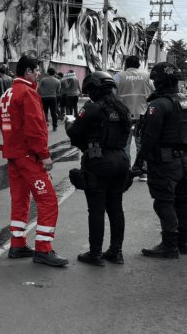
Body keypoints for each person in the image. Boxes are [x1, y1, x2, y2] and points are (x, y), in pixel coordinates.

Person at [0, 54, 68, 267]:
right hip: (28, 156)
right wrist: (44, 155)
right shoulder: (27, 93)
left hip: (13, 155)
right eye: (37, 70)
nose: (39, 73)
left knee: (20, 200)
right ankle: (44, 249)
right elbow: (35, 127)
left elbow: (6, 126)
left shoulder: (7, 93)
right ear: (28, 71)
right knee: (47, 200)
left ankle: (17, 244)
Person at [65, 71, 131, 265]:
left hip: (99, 161)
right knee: (116, 208)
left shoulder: (92, 108)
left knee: (96, 209)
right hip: (121, 159)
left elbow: (75, 133)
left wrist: (70, 125)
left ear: (94, 89)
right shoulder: (122, 107)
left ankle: (95, 254)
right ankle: (116, 252)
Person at [133, 62, 187, 258]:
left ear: (160, 82)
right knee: (182, 201)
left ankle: (169, 245)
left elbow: (149, 138)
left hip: (165, 162)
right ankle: (183, 242)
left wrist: (139, 163)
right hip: (184, 160)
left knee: (163, 202)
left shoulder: (158, 104)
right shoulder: (184, 101)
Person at [113, 55, 154, 181]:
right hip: (143, 115)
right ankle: (143, 172)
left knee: (124, 144)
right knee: (142, 144)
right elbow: (154, 92)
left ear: (126, 64)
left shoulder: (119, 76)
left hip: (123, 115)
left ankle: (126, 171)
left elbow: (112, 94)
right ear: (139, 64)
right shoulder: (147, 76)